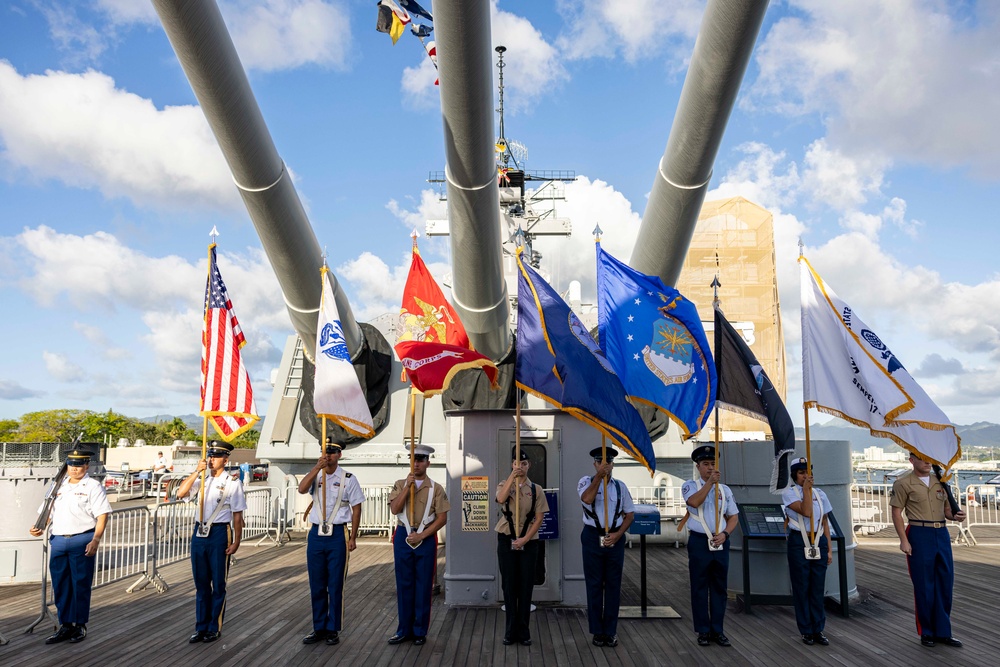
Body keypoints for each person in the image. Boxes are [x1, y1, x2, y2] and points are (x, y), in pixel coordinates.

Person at [29, 448, 112, 644]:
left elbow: (102, 515)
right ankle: (65, 625)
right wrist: (38, 526)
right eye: (71, 465)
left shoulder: (93, 486)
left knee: (80, 584)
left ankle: (80, 625)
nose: (75, 469)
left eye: (79, 465)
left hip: (81, 539)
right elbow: (47, 511)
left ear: (87, 466)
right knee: (61, 584)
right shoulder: (57, 486)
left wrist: (96, 540)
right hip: (58, 540)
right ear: (67, 465)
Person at [890, 452, 966, 648]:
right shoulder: (903, 483)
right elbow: (896, 513)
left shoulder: (941, 481)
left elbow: (947, 511)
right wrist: (903, 540)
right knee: (924, 585)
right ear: (911, 460)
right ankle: (927, 632)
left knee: (945, 582)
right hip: (918, 532)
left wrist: (956, 516)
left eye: (929, 458)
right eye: (921, 458)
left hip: (941, 533)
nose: (926, 462)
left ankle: (943, 631)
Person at [176, 440, 246, 644]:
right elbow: (181, 493)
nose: (211, 459)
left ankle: (214, 627)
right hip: (199, 532)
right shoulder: (202, 480)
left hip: (219, 533)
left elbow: (237, 516)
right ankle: (201, 626)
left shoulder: (233, 483)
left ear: (225, 459)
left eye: (215, 456)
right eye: (210, 456)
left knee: (218, 582)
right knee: (201, 583)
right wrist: (196, 472)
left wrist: (237, 541)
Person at [297, 438, 364, 646]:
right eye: (326, 452)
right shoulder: (316, 475)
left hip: (337, 535)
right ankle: (319, 627)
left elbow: (356, 508)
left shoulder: (348, 479)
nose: (329, 455)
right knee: (316, 584)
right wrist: (317, 467)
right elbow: (301, 489)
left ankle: (333, 628)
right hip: (316, 534)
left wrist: (353, 537)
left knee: (335, 584)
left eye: (333, 452)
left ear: (339, 455)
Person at [387, 444, 449, 646]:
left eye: (421, 460)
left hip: (425, 538)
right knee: (404, 584)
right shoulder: (399, 484)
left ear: (428, 463)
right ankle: (403, 630)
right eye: (413, 460)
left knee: (423, 586)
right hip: (403, 537)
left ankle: (420, 630)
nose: (416, 464)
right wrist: (407, 487)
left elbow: (441, 518)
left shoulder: (436, 489)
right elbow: (395, 509)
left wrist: (422, 535)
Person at [682, 444, 738, 648]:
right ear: (698, 467)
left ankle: (718, 629)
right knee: (699, 587)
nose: (710, 467)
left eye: (713, 463)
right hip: (699, 542)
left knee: (719, 588)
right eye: (705, 464)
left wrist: (725, 534)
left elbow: (733, 517)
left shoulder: (725, 490)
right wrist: (709, 484)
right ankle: (703, 630)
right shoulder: (690, 485)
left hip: (720, 541)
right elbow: (694, 503)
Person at [578, 446, 634, 648]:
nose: (605, 465)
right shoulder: (586, 482)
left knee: (613, 585)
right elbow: (587, 499)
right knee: (594, 585)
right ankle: (597, 631)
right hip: (593, 537)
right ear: (594, 464)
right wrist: (598, 478)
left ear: (613, 464)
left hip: (615, 537)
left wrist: (619, 535)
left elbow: (629, 514)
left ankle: (610, 631)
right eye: (601, 462)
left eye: (608, 462)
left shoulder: (621, 487)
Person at [495, 447, 549, 646]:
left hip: (529, 542)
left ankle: (524, 632)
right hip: (506, 538)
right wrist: (512, 477)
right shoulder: (504, 484)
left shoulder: (536, 490)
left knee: (526, 587)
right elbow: (500, 499)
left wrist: (525, 539)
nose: (521, 467)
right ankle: (510, 632)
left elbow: (540, 517)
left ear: (529, 466)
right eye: (517, 463)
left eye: (524, 464)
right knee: (509, 587)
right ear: (512, 464)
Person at [782, 457, 833, 646]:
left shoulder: (820, 494)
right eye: (801, 473)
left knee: (817, 587)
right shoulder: (790, 493)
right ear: (795, 475)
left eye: (808, 472)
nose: (806, 476)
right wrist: (805, 490)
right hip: (799, 540)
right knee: (802, 586)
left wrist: (828, 549)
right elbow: (806, 512)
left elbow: (825, 522)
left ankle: (818, 628)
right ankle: (806, 630)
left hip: (818, 539)